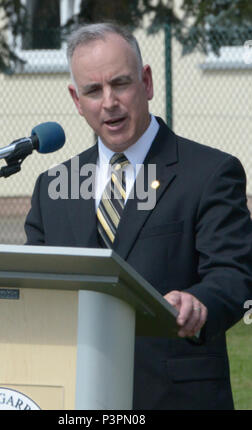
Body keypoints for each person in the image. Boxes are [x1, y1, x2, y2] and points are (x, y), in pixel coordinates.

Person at [25, 22, 252, 409]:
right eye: (93, 91)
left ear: (146, 82)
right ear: (77, 100)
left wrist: (200, 303)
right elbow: (37, 291)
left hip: (175, 396)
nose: (109, 102)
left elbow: (235, 275)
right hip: (76, 398)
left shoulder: (209, 173)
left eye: (121, 83)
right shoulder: (53, 187)